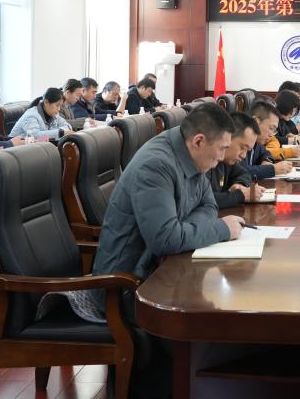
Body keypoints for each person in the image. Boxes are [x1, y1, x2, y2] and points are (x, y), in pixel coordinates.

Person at [90, 103, 245, 312]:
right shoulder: (155, 166)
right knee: (220, 313)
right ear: (199, 141)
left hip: (160, 270)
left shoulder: (192, 154)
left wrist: (183, 229)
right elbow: (165, 239)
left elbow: (209, 205)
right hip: (126, 288)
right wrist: (222, 229)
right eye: (222, 148)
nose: (222, 157)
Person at [205, 112, 266, 207]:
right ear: (228, 137)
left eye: (247, 150)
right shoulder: (204, 161)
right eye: (243, 147)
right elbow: (202, 199)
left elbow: (244, 173)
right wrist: (241, 195)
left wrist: (239, 185)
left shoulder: (227, 161)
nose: (244, 156)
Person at [239, 100, 294, 180]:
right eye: (271, 128)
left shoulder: (258, 141)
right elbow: (240, 171)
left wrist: (267, 161)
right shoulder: (240, 139)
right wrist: (272, 169)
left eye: (274, 130)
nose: (271, 135)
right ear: (256, 121)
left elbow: (266, 153)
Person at [9, 88, 73, 140]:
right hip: (15, 148)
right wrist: (60, 133)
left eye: (60, 106)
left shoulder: (54, 114)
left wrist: (60, 132)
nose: (59, 109)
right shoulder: (31, 115)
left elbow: (68, 126)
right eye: (57, 105)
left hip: (36, 147)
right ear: (46, 102)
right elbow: (35, 136)